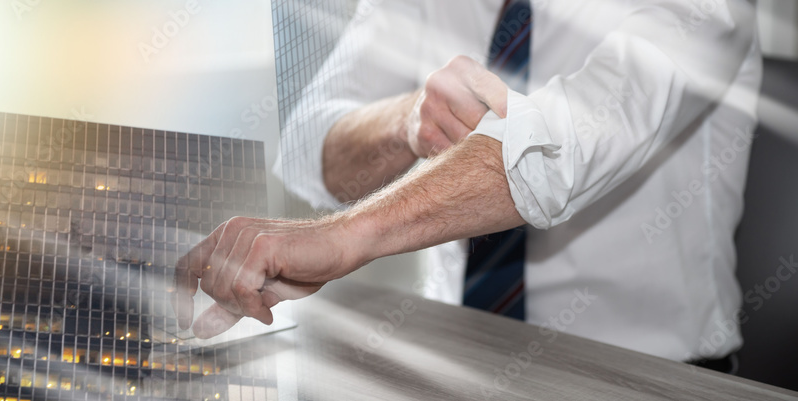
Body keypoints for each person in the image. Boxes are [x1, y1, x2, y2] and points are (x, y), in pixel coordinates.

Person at [174, 0, 761, 372]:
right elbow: (309, 147)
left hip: (648, 375)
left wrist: (347, 237)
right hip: (456, 361)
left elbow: (561, 149)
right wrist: (405, 123)